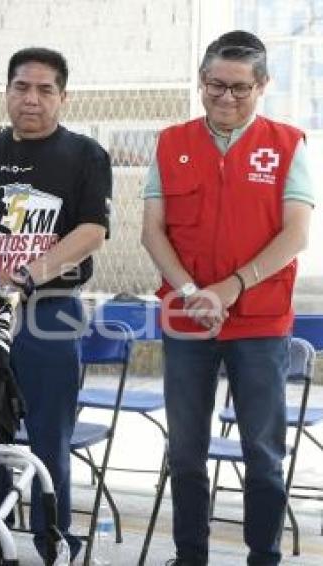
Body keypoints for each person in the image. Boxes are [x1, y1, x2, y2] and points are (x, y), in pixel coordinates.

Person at [141, 30, 314, 566]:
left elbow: (296, 234)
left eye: (241, 88)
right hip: (188, 319)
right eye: (216, 85)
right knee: (186, 451)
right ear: (201, 81)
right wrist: (194, 293)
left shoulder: (287, 143)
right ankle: (189, 555)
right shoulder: (171, 143)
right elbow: (153, 231)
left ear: (262, 85)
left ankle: (263, 555)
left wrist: (230, 287)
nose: (226, 98)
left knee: (262, 453)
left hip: (260, 324)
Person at [0, 47, 112, 566]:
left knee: (50, 432)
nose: (32, 98)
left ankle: (54, 540)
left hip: (51, 310)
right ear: (7, 92)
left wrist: (24, 276)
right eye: (22, 87)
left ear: (62, 97)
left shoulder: (85, 155)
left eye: (46, 90)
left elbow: (91, 231)